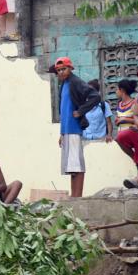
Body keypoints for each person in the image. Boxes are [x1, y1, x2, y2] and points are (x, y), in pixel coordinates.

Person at [55, 57, 101, 198]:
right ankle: (74, 197)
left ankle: (77, 197)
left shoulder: (75, 82)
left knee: (77, 166)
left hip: (74, 129)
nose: (61, 72)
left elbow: (95, 96)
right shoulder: (64, 84)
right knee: (72, 166)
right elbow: (64, 111)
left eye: (64, 69)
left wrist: (81, 111)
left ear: (70, 69)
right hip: (67, 130)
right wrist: (61, 133)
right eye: (58, 71)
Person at [82, 79, 113, 143]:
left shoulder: (104, 105)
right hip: (85, 139)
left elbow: (109, 122)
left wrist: (109, 135)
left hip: (101, 140)